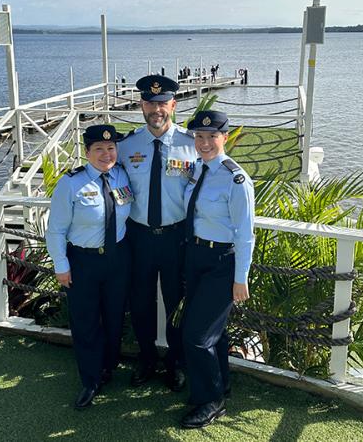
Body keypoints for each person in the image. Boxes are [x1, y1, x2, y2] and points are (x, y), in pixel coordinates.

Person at [118, 74, 198, 392]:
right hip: (138, 238)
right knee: (140, 302)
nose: (156, 109)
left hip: (175, 238)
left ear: (173, 105)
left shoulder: (191, 145)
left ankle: (175, 362)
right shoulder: (126, 147)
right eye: (150, 103)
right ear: (141, 105)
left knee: (176, 301)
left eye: (162, 103)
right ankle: (147, 358)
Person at [45, 124, 133, 409]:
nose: (106, 154)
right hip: (83, 261)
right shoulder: (71, 183)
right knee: (85, 322)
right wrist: (61, 264)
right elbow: (56, 229)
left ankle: (109, 367)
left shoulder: (122, 175)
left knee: (114, 316)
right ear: (87, 152)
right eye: (99, 149)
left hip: (118, 258)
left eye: (111, 148)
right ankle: (90, 379)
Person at [179, 110, 255, 429]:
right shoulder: (195, 170)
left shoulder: (236, 179)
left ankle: (210, 401)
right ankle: (220, 383)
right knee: (213, 332)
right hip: (195, 256)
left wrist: (241, 279)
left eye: (212, 136)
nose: (205, 142)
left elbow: (246, 233)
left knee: (195, 335)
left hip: (222, 263)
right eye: (199, 136)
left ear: (225, 138)